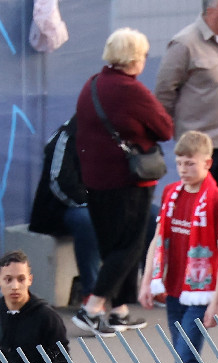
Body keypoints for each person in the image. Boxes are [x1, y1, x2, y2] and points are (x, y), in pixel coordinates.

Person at [73, 29, 174, 334]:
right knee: (129, 247)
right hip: (128, 183)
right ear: (134, 58)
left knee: (111, 246)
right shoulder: (133, 91)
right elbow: (165, 128)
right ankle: (92, 308)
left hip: (94, 181)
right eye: (143, 55)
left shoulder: (91, 85)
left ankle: (118, 310)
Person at [154, 0, 218, 248]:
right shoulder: (184, 44)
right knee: (197, 214)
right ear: (210, 11)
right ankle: (194, 272)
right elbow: (164, 94)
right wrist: (183, 140)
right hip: (201, 148)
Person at [145, 131, 218, 363]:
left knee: (184, 360)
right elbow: (157, 239)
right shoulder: (171, 193)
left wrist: (217, 302)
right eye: (179, 163)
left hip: (200, 292)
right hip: (173, 289)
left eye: (190, 163)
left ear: (207, 163)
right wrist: (146, 282)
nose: (183, 169)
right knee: (184, 359)